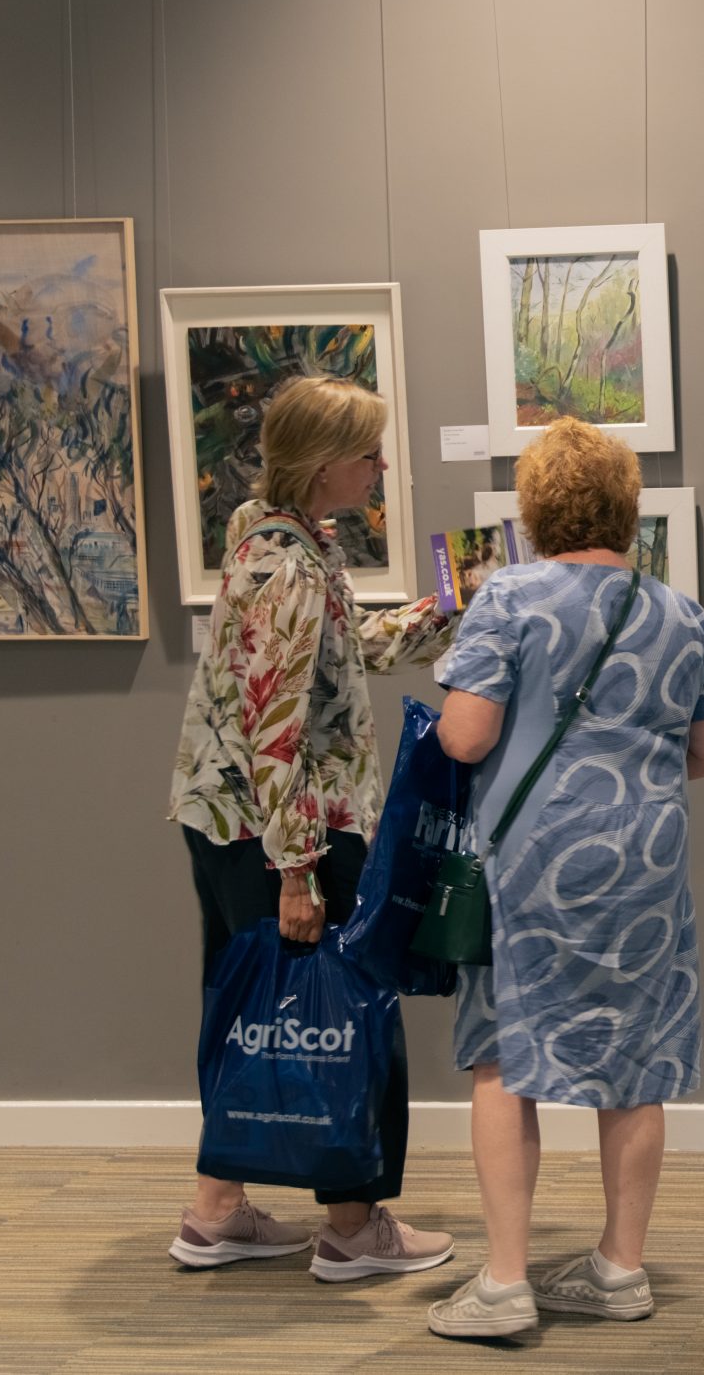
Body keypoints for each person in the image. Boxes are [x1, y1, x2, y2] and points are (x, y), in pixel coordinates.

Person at [423, 418, 704, 1342]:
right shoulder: (680, 611)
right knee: (636, 1061)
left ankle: (506, 1280)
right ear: (627, 506)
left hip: (528, 860)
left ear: (533, 509)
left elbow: (467, 736)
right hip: (644, 860)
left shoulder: (509, 597)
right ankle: (620, 1266)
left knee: (502, 1057)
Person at [166, 375, 460, 1282]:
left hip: (221, 815)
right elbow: (275, 726)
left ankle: (216, 1212)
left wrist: (451, 606)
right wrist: (296, 870)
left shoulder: (274, 541)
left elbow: (351, 649)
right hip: (284, 823)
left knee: (252, 1010)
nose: (380, 465)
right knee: (328, 1017)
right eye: (368, 451)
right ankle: (351, 1223)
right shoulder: (290, 568)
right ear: (324, 461)